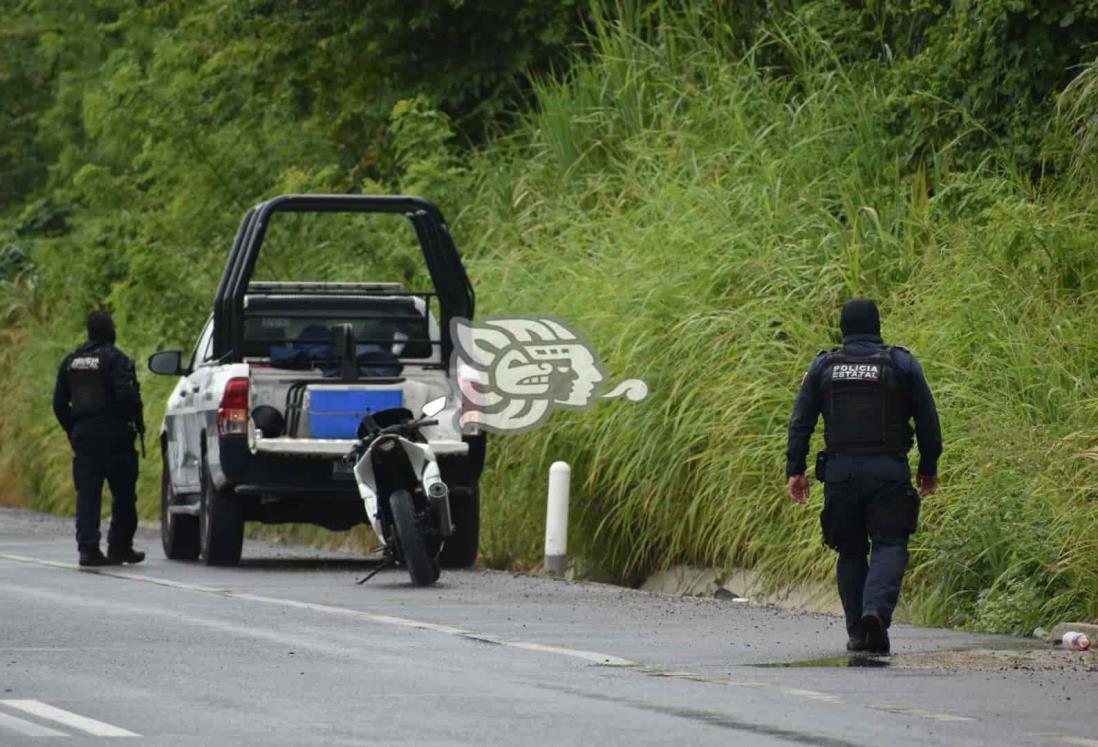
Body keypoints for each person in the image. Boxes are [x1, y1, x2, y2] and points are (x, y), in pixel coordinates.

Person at [785, 299, 941, 654]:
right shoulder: (900, 363)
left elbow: (801, 421)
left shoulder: (824, 366)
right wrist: (929, 466)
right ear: (877, 326)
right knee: (890, 543)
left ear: (843, 329)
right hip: (887, 472)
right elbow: (928, 420)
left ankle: (858, 630)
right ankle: (875, 612)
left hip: (840, 475)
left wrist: (796, 469)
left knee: (850, 551)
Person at [52, 311, 146, 566]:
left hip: (85, 436)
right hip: (115, 436)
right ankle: (119, 547)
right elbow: (127, 397)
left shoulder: (71, 361)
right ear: (110, 331)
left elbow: (59, 402)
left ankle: (88, 549)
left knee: (88, 495)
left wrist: (74, 429)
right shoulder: (115, 359)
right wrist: (130, 421)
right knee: (124, 494)